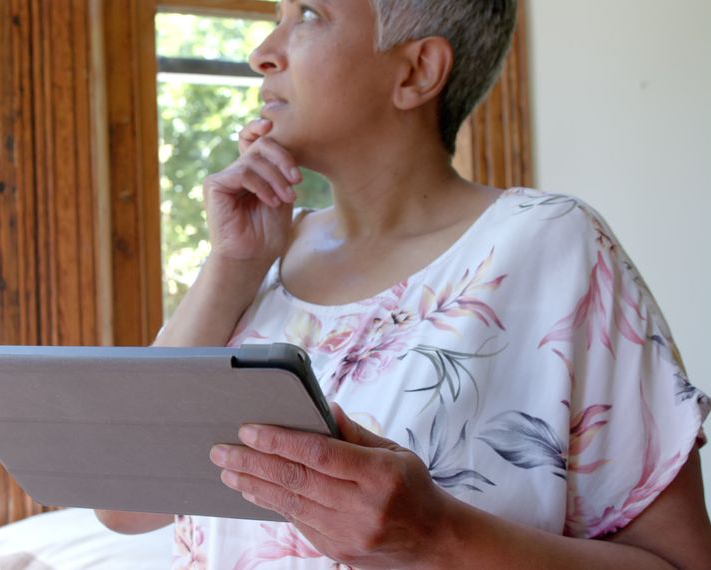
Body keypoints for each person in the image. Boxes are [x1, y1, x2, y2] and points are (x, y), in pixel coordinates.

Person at [96, 0, 711, 567]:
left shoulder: (551, 244)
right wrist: (233, 266)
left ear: (417, 72)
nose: (262, 52)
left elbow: (682, 562)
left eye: (307, 14)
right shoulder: (257, 260)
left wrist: (435, 535)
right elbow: (121, 504)